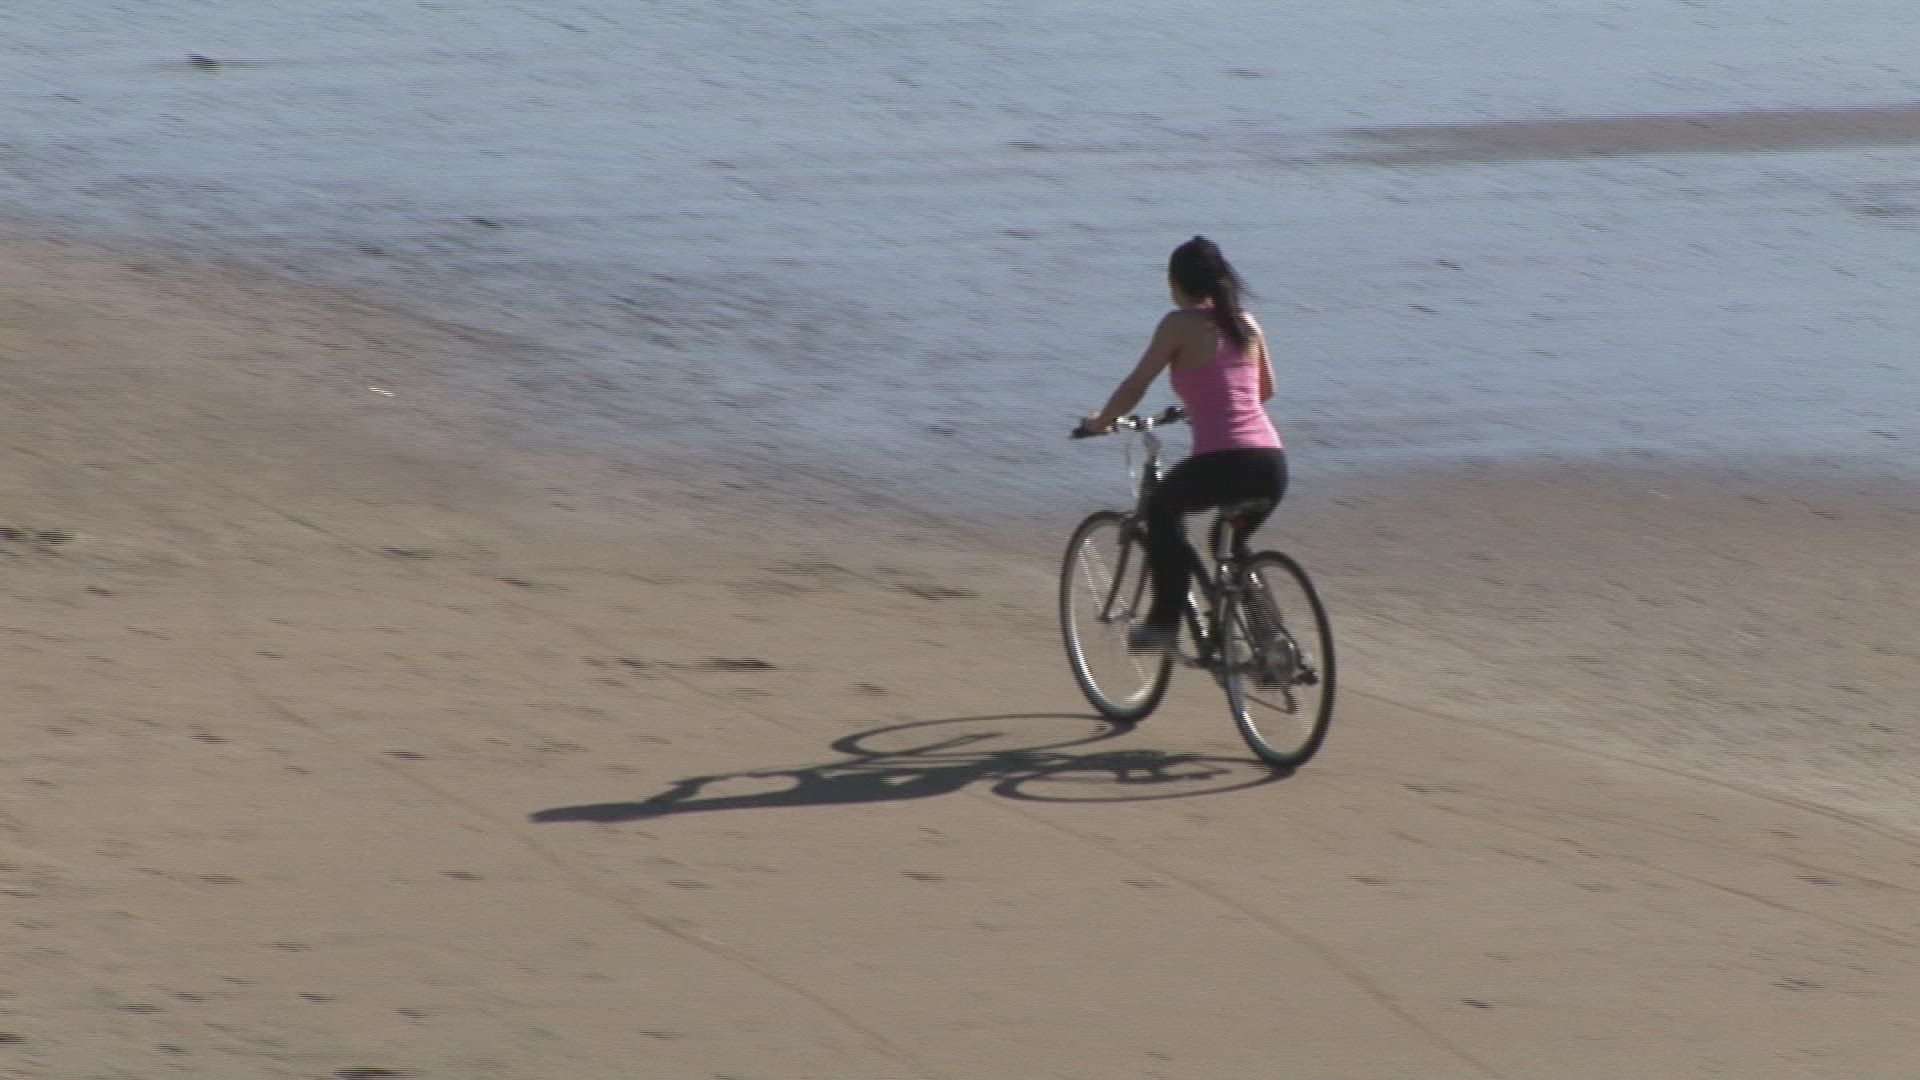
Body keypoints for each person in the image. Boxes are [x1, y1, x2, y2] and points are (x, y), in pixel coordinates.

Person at [1079, 235, 1287, 653]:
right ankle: (1271, 643)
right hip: (1270, 464)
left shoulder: (1178, 324)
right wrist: (1205, 403)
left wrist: (1101, 422)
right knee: (1229, 545)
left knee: (1161, 510)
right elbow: (1264, 391)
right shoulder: (1247, 324)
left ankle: (1163, 624)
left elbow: (1136, 385)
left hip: (1225, 463)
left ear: (1177, 283)